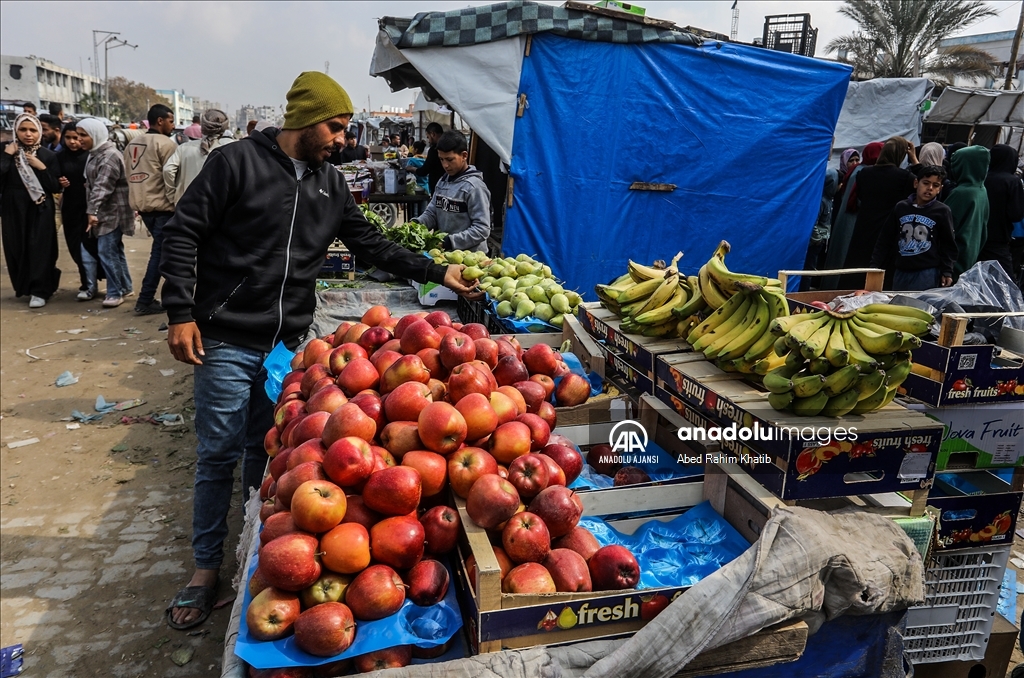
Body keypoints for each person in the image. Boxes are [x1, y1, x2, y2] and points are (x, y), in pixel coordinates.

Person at [159, 71, 479, 630]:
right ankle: (205, 569)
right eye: (335, 126)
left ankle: (257, 553)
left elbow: (374, 244)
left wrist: (437, 271)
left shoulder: (331, 184)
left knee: (271, 455)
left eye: (346, 127)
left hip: (287, 345)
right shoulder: (236, 163)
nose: (342, 137)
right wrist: (181, 311)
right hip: (228, 336)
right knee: (218, 452)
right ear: (305, 119)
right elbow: (183, 231)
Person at [0, 113, 62, 307]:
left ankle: (40, 290)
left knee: (40, 247)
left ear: (40, 132)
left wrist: (41, 167)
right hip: (13, 208)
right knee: (16, 246)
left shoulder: (48, 156)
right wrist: (7, 156)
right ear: (15, 131)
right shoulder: (6, 151)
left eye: (33, 130)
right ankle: (25, 286)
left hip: (39, 207)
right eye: (23, 130)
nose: (28, 134)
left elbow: (55, 186)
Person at [838, 137, 917, 289]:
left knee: (857, 273)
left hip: (864, 229)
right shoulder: (905, 177)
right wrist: (914, 160)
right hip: (889, 232)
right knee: (881, 277)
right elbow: (922, 190)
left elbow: (860, 196)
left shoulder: (864, 174)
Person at [125, 104, 177, 315]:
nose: (173, 125)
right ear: (160, 121)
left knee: (163, 253)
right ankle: (145, 299)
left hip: (142, 207)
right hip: (163, 207)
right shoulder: (165, 144)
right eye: (171, 121)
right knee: (160, 254)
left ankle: (161, 297)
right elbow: (172, 177)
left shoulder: (132, 144)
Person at [870, 165, 957, 291]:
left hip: (927, 272)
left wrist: (947, 271)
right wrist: (875, 265)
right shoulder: (901, 207)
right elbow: (885, 239)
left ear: (940, 189)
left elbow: (948, 244)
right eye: (926, 183)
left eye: (935, 185)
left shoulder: (942, 211)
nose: (930, 188)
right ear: (916, 183)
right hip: (901, 270)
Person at [77, 117, 135, 307]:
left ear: (95, 134)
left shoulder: (109, 156)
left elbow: (102, 187)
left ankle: (114, 292)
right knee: (114, 251)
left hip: (112, 213)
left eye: (83, 135)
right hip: (106, 212)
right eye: (79, 135)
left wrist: (92, 210)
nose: (79, 139)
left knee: (106, 252)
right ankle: (125, 286)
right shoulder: (96, 153)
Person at [411, 130, 491, 252]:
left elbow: (482, 229)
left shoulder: (474, 187)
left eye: (449, 159)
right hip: (447, 255)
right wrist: (415, 225)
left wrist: (449, 242)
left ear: (464, 156)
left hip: (471, 260)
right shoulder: (442, 181)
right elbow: (432, 213)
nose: (445, 165)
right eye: (441, 159)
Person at [822, 142, 882, 289]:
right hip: (852, 219)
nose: (854, 162)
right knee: (843, 255)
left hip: (846, 218)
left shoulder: (857, 170)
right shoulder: (862, 172)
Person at [57, 122, 104, 300]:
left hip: (90, 210)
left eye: (76, 137)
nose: (72, 142)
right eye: (68, 137)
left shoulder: (91, 156)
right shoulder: (60, 157)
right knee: (76, 249)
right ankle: (87, 283)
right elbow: (52, 178)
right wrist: (58, 182)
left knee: (89, 248)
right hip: (70, 209)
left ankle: (90, 285)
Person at [163, 109, 235, 206]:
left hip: (188, 206)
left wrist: (173, 197)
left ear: (203, 126)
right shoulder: (233, 148)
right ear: (225, 127)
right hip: (221, 207)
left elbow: (168, 170)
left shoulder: (184, 148)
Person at [946, 145, 991, 277]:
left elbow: (943, 226)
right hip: (969, 257)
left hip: (954, 261)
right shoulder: (981, 189)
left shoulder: (961, 193)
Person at [980, 144, 1024, 280]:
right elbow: (1016, 214)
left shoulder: (982, 178)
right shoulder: (1012, 181)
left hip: (978, 237)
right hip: (999, 238)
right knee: (1006, 279)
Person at [801, 167, 838, 291]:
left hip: (821, 240)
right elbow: (813, 223)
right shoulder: (821, 201)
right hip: (815, 242)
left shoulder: (829, 200)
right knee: (809, 269)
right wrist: (817, 238)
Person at [416, 122, 445, 194]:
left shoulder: (434, 150)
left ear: (433, 134)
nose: (428, 140)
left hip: (438, 187)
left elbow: (424, 171)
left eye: (428, 137)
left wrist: (413, 169)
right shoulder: (448, 146)